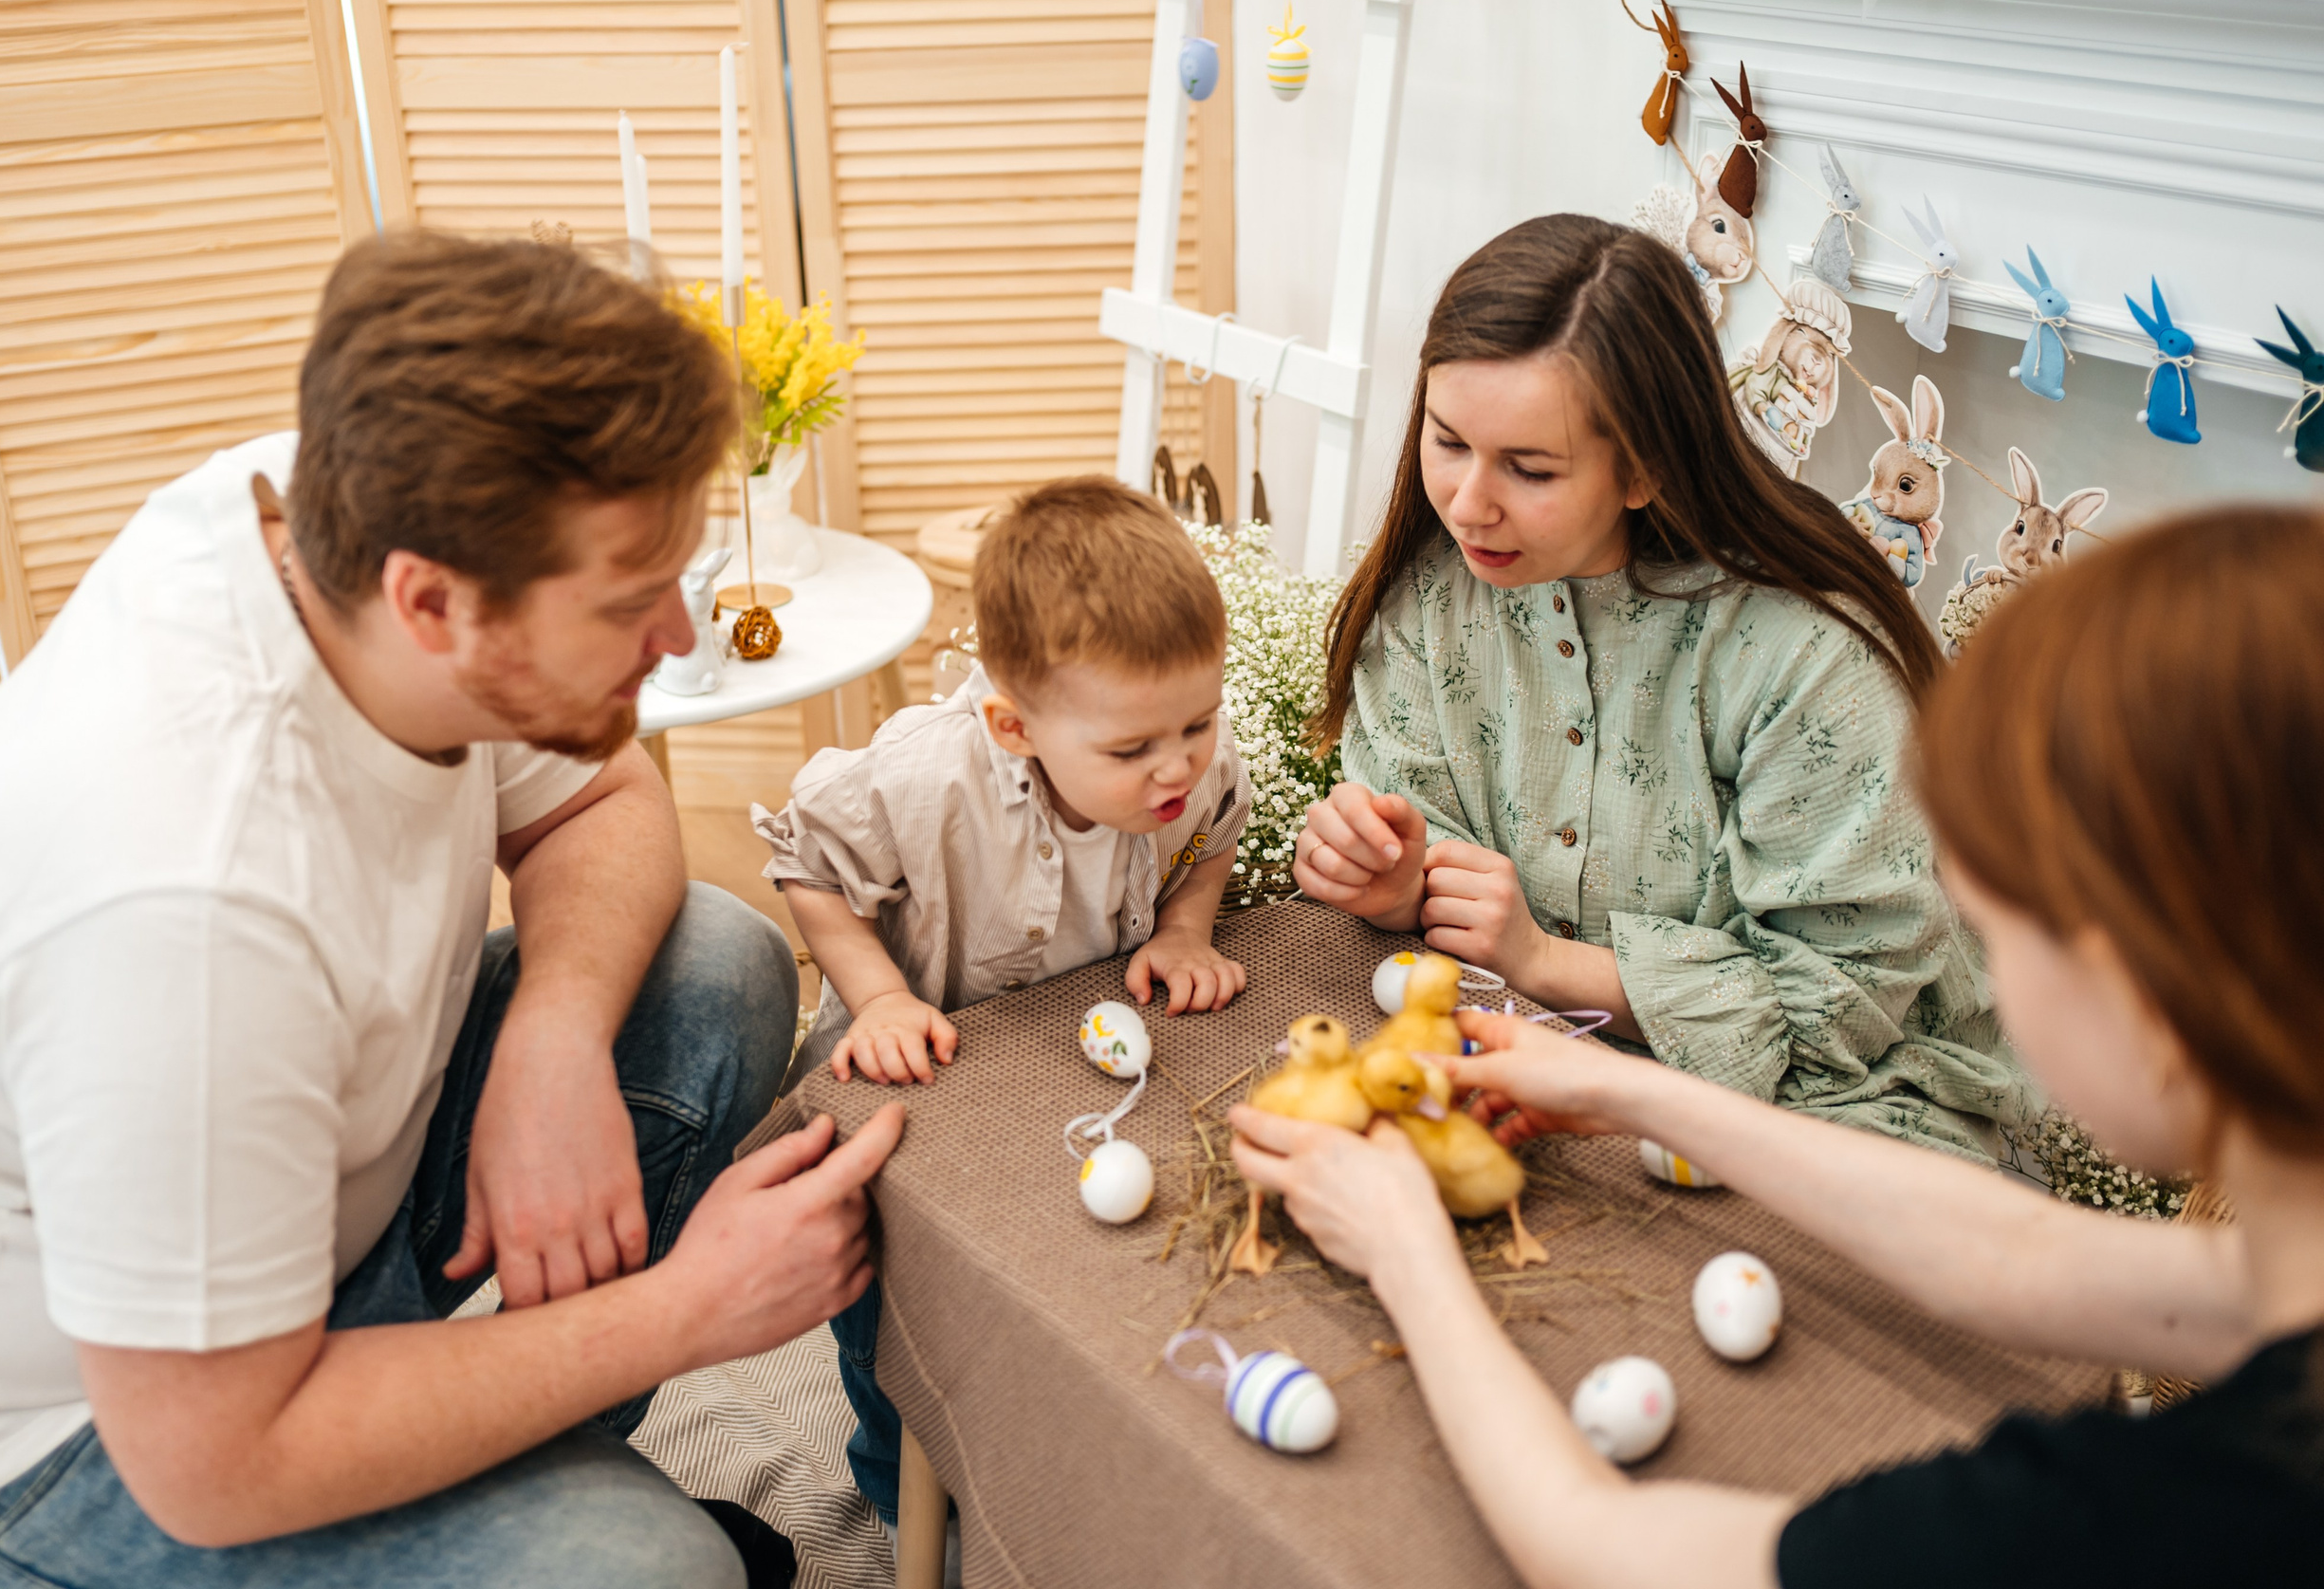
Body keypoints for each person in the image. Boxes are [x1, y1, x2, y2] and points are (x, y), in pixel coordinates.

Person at [0, 231, 904, 1589]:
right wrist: (687, 1311)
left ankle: (517, 1471)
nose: (678, 634)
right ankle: (541, 1516)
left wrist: (552, 1039)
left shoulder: (350, 502)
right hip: (54, 1443)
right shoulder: (174, 901)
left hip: (293, 1223)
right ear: (431, 603)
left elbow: (601, 800)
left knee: (710, 968)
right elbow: (211, 1463)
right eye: (627, 602)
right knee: (650, 1572)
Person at [1232, 508, 2324, 1585]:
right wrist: (1643, 1096)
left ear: (2158, 1005)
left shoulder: (2136, 1515)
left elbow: (1592, 1545)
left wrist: (1409, 1257)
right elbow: (2032, 1260)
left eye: (1994, 928)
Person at [1293, 213, 2020, 1158]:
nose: (1468, 502)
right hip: (1522, 1055)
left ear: (1642, 468)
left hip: (1848, 1114)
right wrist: (1394, 883)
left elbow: (1842, 1006)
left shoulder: (1807, 658)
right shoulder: (1432, 598)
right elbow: (1432, 857)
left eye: (1529, 467)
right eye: (1447, 442)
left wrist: (1547, 962)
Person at [754, 472, 1250, 1525]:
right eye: (1131, 751)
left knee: (1052, 1276)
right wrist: (880, 996)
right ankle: (900, 1500)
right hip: (917, 1077)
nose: (1177, 767)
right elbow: (804, 859)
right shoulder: (923, 778)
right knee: (892, 1309)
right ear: (1012, 726)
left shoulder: (1185, 760)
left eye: (1198, 723)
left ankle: (1030, 1478)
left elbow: (1214, 831)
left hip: (1057, 1069)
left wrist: (1186, 925)